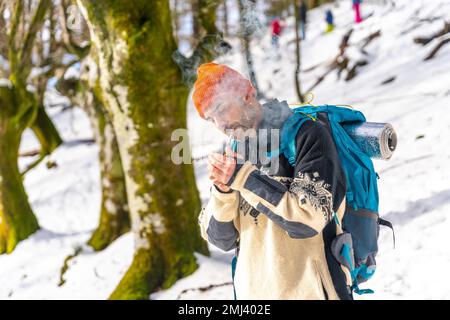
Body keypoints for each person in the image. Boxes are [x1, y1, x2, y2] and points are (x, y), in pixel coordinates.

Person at [194, 62, 353, 300]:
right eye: (211, 118)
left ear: (247, 94)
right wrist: (223, 191)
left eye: (221, 108)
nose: (220, 124)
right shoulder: (235, 151)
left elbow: (308, 220)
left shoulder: (306, 135)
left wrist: (243, 178)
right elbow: (221, 239)